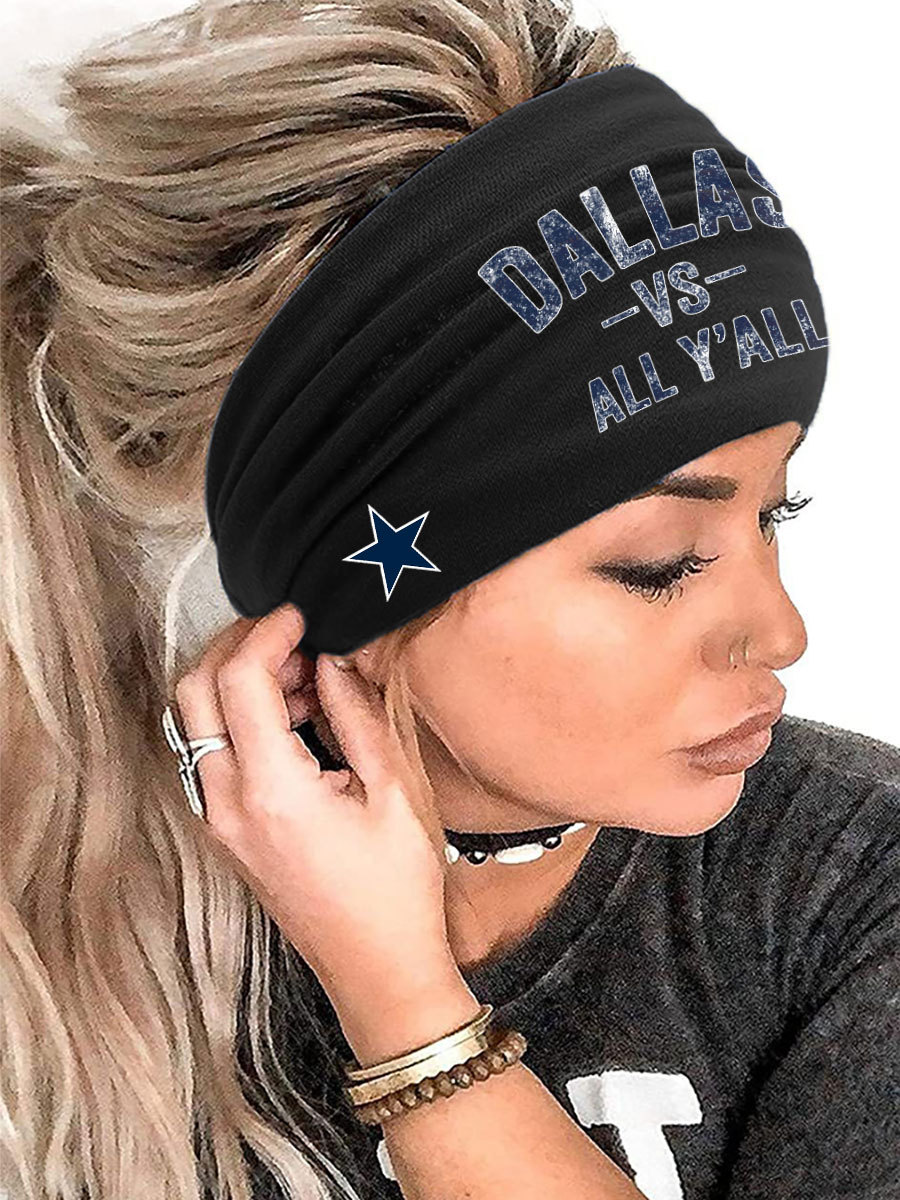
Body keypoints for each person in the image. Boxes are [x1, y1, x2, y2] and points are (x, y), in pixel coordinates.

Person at [1, 3, 897, 1200]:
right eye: (661, 561)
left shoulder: (848, 885)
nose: (785, 632)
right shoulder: (60, 934)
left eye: (776, 516)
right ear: (346, 588)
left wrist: (406, 1008)